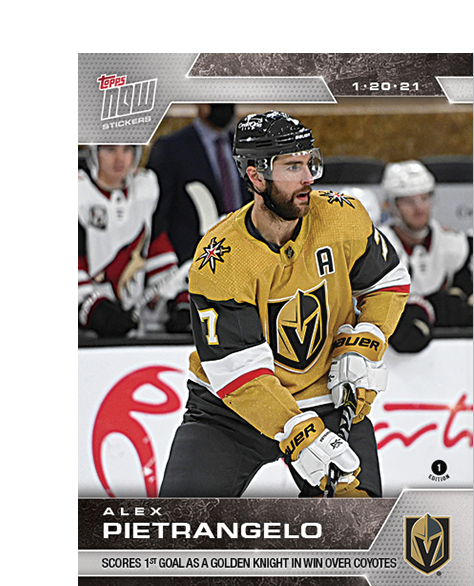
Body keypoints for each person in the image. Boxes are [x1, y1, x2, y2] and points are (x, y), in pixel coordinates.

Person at [159, 111, 410, 498]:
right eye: (293, 166)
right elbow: (239, 372)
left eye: (310, 162)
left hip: (326, 397)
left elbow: (387, 282)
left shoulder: (342, 216)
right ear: (256, 177)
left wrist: (365, 341)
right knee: (178, 523)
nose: (309, 177)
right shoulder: (220, 258)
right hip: (230, 412)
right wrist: (298, 432)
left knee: (359, 526)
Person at [77, 145, 188, 338]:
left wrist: (179, 300)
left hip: (137, 333)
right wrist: (96, 311)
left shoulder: (145, 191)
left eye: (128, 149)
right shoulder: (79, 194)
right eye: (110, 149)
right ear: (94, 153)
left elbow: (159, 258)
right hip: (87, 340)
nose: (120, 159)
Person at [378, 160, 474, 354]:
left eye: (425, 198)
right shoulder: (374, 248)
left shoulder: (453, 244)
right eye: (408, 202)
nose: (419, 209)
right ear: (391, 206)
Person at [146, 104, 249, 266]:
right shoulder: (171, 148)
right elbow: (158, 215)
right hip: (191, 263)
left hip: (243, 259)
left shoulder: (246, 147)